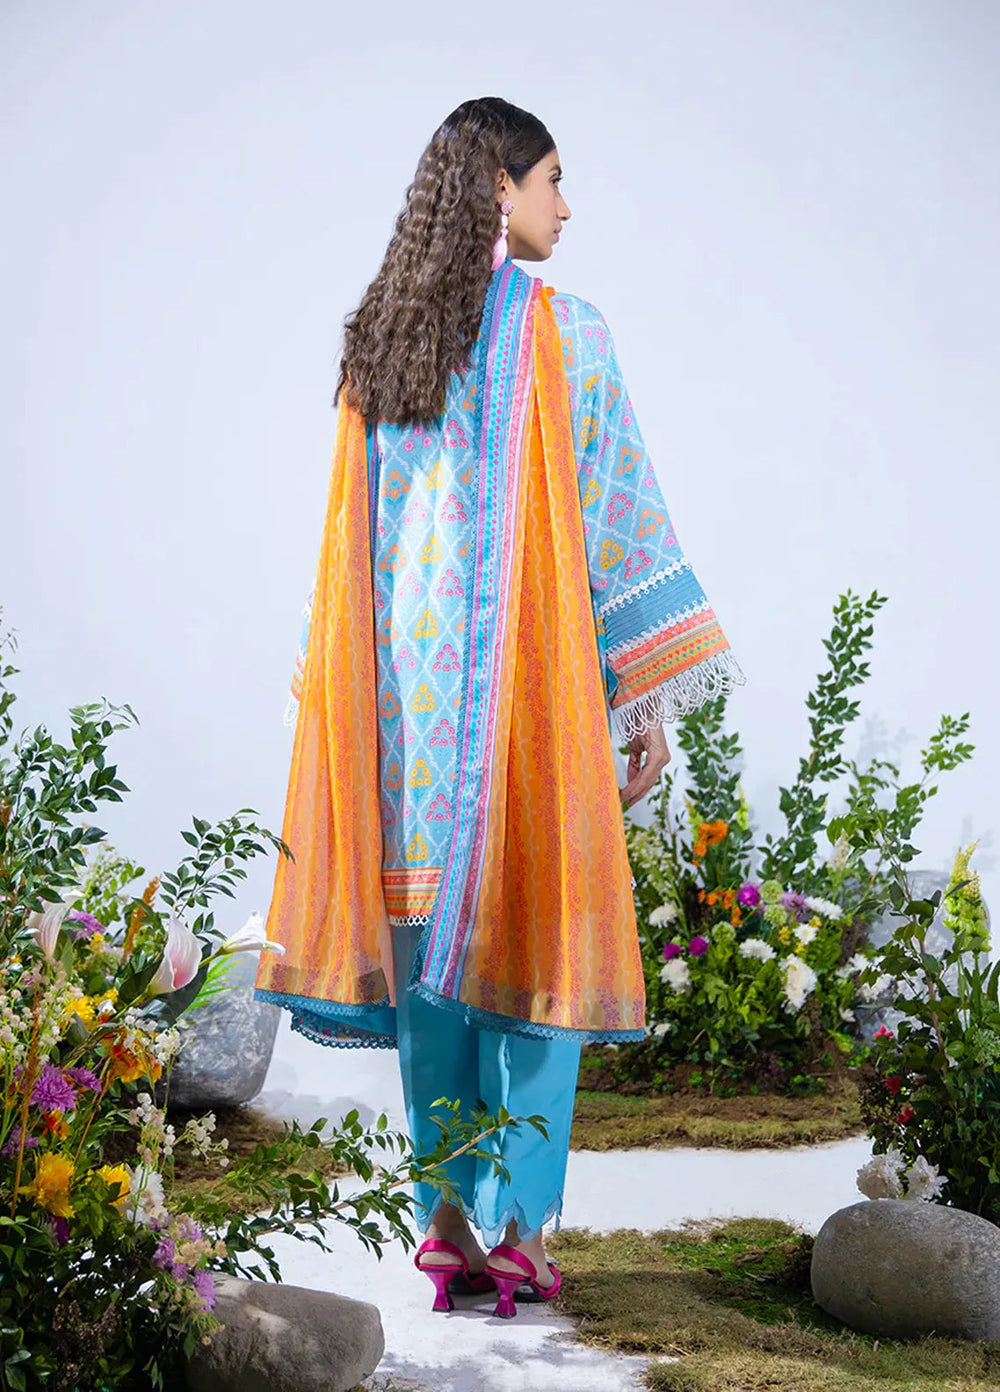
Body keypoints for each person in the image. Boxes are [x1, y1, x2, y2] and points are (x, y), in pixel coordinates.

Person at [254, 96, 746, 1319]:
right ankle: (519, 1229)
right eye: (552, 180)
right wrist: (641, 704)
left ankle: (444, 1225)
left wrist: (339, 708)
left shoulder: (379, 346)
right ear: (498, 189)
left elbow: (345, 552)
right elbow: (615, 516)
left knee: (431, 965)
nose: (565, 207)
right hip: (529, 707)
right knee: (541, 952)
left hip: (406, 717)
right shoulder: (565, 334)